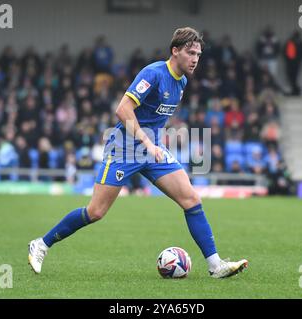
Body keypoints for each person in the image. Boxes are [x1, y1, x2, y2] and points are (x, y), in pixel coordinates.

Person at [28, 27, 248, 279]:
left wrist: (157, 141)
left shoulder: (183, 82)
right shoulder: (153, 73)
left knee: (191, 200)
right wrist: (147, 141)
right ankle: (41, 244)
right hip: (125, 146)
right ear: (175, 51)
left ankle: (215, 265)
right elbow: (122, 109)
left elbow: (155, 115)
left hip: (152, 149)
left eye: (198, 53)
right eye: (190, 52)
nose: (195, 58)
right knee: (96, 212)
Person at [283, 31, 302, 96]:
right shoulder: (290, 42)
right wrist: (288, 60)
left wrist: (299, 59)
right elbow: (285, 52)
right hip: (290, 64)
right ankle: (295, 90)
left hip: (297, 64)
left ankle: (295, 90)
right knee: (291, 78)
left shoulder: (300, 43)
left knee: (295, 77)